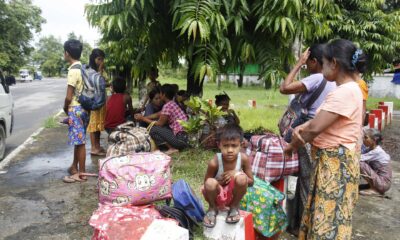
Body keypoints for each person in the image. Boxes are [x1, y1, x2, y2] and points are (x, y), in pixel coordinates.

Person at [284, 39, 366, 239]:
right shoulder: (350, 89)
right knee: (326, 217)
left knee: (328, 223)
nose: (322, 67)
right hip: (332, 161)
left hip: (335, 165)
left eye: (324, 62)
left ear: (335, 64)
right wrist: (304, 127)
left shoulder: (345, 92)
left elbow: (314, 129)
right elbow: (321, 121)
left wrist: (290, 147)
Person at [279, 44, 336, 235]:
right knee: (310, 181)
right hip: (321, 133)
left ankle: (304, 228)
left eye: (308, 61)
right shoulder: (334, 80)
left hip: (305, 135)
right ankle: (301, 223)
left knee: (304, 182)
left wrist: (298, 63)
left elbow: (284, 87)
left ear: (313, 61)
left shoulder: (317, 77)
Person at [202, 124, 254, 228]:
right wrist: (218, 182)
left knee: (242, 178)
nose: (230, 150)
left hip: (234, 195)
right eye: (225, 146)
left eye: (234, 145)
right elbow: (206, 184)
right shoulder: (214, 162)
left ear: (241, 144)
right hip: (217, 195)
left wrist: (237, 173)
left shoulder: (243, 159)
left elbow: (251, 181)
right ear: (219, 145)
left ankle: (234, 207)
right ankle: (212, 208)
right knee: (210, 182)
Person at [62, 39, 90, 183]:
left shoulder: (73, 70)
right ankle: (74, 166)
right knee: (78, 140)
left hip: (75, 109)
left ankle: (82, 173)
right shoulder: (83, 68)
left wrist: (65, 108)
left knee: (80, 142)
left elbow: (68, 96)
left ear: (67, 53)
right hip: (85, 109)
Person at [135, 84, 189, 155]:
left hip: (180, 140)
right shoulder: (172, 104)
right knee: (163, 127)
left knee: (153, 129)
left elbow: (159, 124)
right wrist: (143, 117)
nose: (159, 96)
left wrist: (142, 118)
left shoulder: (167, 106)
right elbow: (158, 114)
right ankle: (170, 147)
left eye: (160, 93)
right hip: (185, 138)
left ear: (164, 95)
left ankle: (172, 149)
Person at [86, 48, 107, 156]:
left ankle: (97, 146)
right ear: (93, 59)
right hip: (94, 102)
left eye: (102, 59)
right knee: (93, 125)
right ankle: (94, 148)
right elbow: (98, 83)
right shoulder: (91, 72)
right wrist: (100, 71)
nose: (101, 62)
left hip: (100, 102)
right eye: (99, 59)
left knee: (98, 125)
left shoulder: (96, 72)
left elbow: (102, 84)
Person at [359, 128, 392, 196]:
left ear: (374, 140)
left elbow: (358, 158)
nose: (363, 139)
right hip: (381, 182)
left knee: (360, 164)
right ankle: (373, 186)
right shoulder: (370, 149)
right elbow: (360, 154)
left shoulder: (377, 152)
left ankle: (375, 189)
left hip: (383, 184)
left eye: (366, 137)